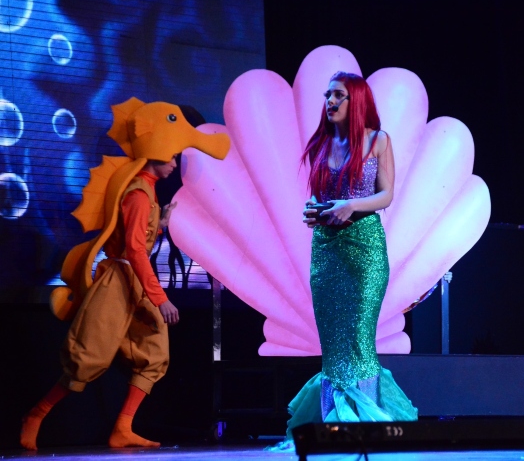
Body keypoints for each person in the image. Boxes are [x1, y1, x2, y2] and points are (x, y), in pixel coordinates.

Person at [20, 98, 229, 450]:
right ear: (160, 153)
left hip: (134, 281)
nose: (176, 163)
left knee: (155, 354)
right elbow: (133, 251)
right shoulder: (137, 195)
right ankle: (36, 415)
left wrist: (159, 225)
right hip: (119, 282)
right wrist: (159, 298)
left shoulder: (147, 193)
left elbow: (139, 242)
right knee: (88, 358)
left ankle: (122, 428)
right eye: (174, 156)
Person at [269, 72, 418, 450]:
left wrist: (351, 205)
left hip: (364, 251)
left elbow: (385, 196)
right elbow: (323, 199)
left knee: (358, 339)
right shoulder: (320, 145)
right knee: (333, 344)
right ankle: (333, 429)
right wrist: (314, 211)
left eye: (338, 95)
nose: (330, 102)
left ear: (356, 100)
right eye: (327, 95)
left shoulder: (377, 140)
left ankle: (366, 427)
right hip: (327, 252)